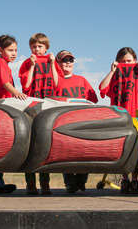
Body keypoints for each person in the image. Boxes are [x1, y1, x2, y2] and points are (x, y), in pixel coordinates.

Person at [99, 47, 138, 193]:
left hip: (135, 115)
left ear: (135, 61)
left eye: (129, 61)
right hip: (118, 117)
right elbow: (102, 89)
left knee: (135, 149)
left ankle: (135, 179)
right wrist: (112, 70)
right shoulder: (116, 74)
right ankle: (125, 179)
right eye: (123, 61)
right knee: (121, 149)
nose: (126, 64)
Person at [18, 33, 60, 195]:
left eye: (40, 46)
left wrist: (52, 64)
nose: (37, 49)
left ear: (46, 48)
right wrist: (32, 66)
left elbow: (57, 84)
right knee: (30, 145)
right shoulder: (27, 63)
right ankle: (30, 183)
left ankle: (45, 183)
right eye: (34, 46)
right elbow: (26, 85)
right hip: (32, 106)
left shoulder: (52, 63)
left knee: (45, 145)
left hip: (48, 106)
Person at [0, 35, 24, 194]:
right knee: (3, 147)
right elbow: (4, 83)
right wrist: (17, 93)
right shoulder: (0, 63)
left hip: (2, 109)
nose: (14, 53)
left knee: (2, 147)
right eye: (10, 50)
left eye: (15, 50)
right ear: (1, 51)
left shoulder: (5, 64)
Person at [54, 50, 98, 193]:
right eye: (64, 60)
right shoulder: (55, 80)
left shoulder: (82, 80)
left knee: (84, 152)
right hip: (63, 122)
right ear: (57, 63)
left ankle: (81, 180)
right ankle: (70, 182)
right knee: (66, 153)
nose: (67, 63)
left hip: (81, 121)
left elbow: (93, 100)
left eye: (70, 60)